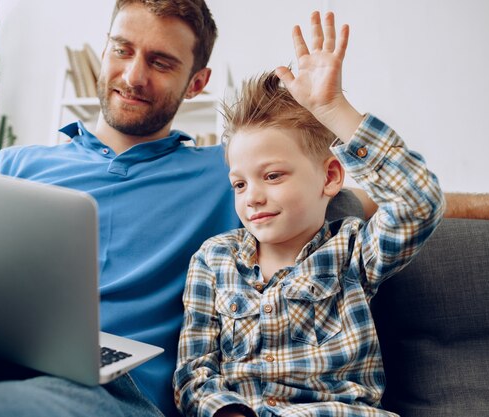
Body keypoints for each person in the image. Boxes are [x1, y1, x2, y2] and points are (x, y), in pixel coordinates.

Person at [0, 1, 489, 416]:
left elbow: (398, 200)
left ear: (196, 82)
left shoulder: (232, 172)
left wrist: (336, 110)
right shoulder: (14, 166)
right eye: (123, 49)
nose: (133, 73)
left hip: (102, 390)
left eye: (161, 61)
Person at [173, 11, 445, 417]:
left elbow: (418, 202)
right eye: (240, 184)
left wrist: (334, 109)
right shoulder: (213, 261)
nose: (253, 197)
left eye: (273, 175)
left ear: (330, 176)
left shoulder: (353, 252)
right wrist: (226, 410)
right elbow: (193, 372)